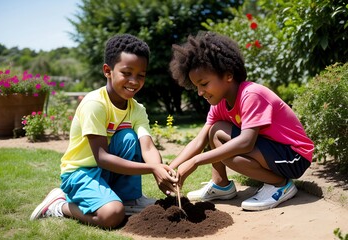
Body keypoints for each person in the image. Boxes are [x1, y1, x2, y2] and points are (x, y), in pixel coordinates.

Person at [30, 34, 178, 228]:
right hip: (80, 173)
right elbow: (102, 157)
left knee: (128, 137)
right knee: (113, 216)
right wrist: (151, 168)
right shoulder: (95, 104)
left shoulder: (137, 109)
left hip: (106, 172)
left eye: (140, 75)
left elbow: (148, 148)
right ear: (108, 71)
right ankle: (59, 205)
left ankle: (129, 198)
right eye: (127, 73)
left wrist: (161, 169)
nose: (134, 81)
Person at [168, 32, 314, 211]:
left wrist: (196, 161)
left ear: (228, 76)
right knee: (215, 131)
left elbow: (246, 143)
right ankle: (221, 185)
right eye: (196, 86)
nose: (199, 92)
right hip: (271, 151)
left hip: (293, 156)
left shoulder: (251, 95)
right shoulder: (220, 102)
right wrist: (170, 168)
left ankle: (280, 184)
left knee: (225, 147)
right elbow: (200, 140)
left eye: (204, 84)